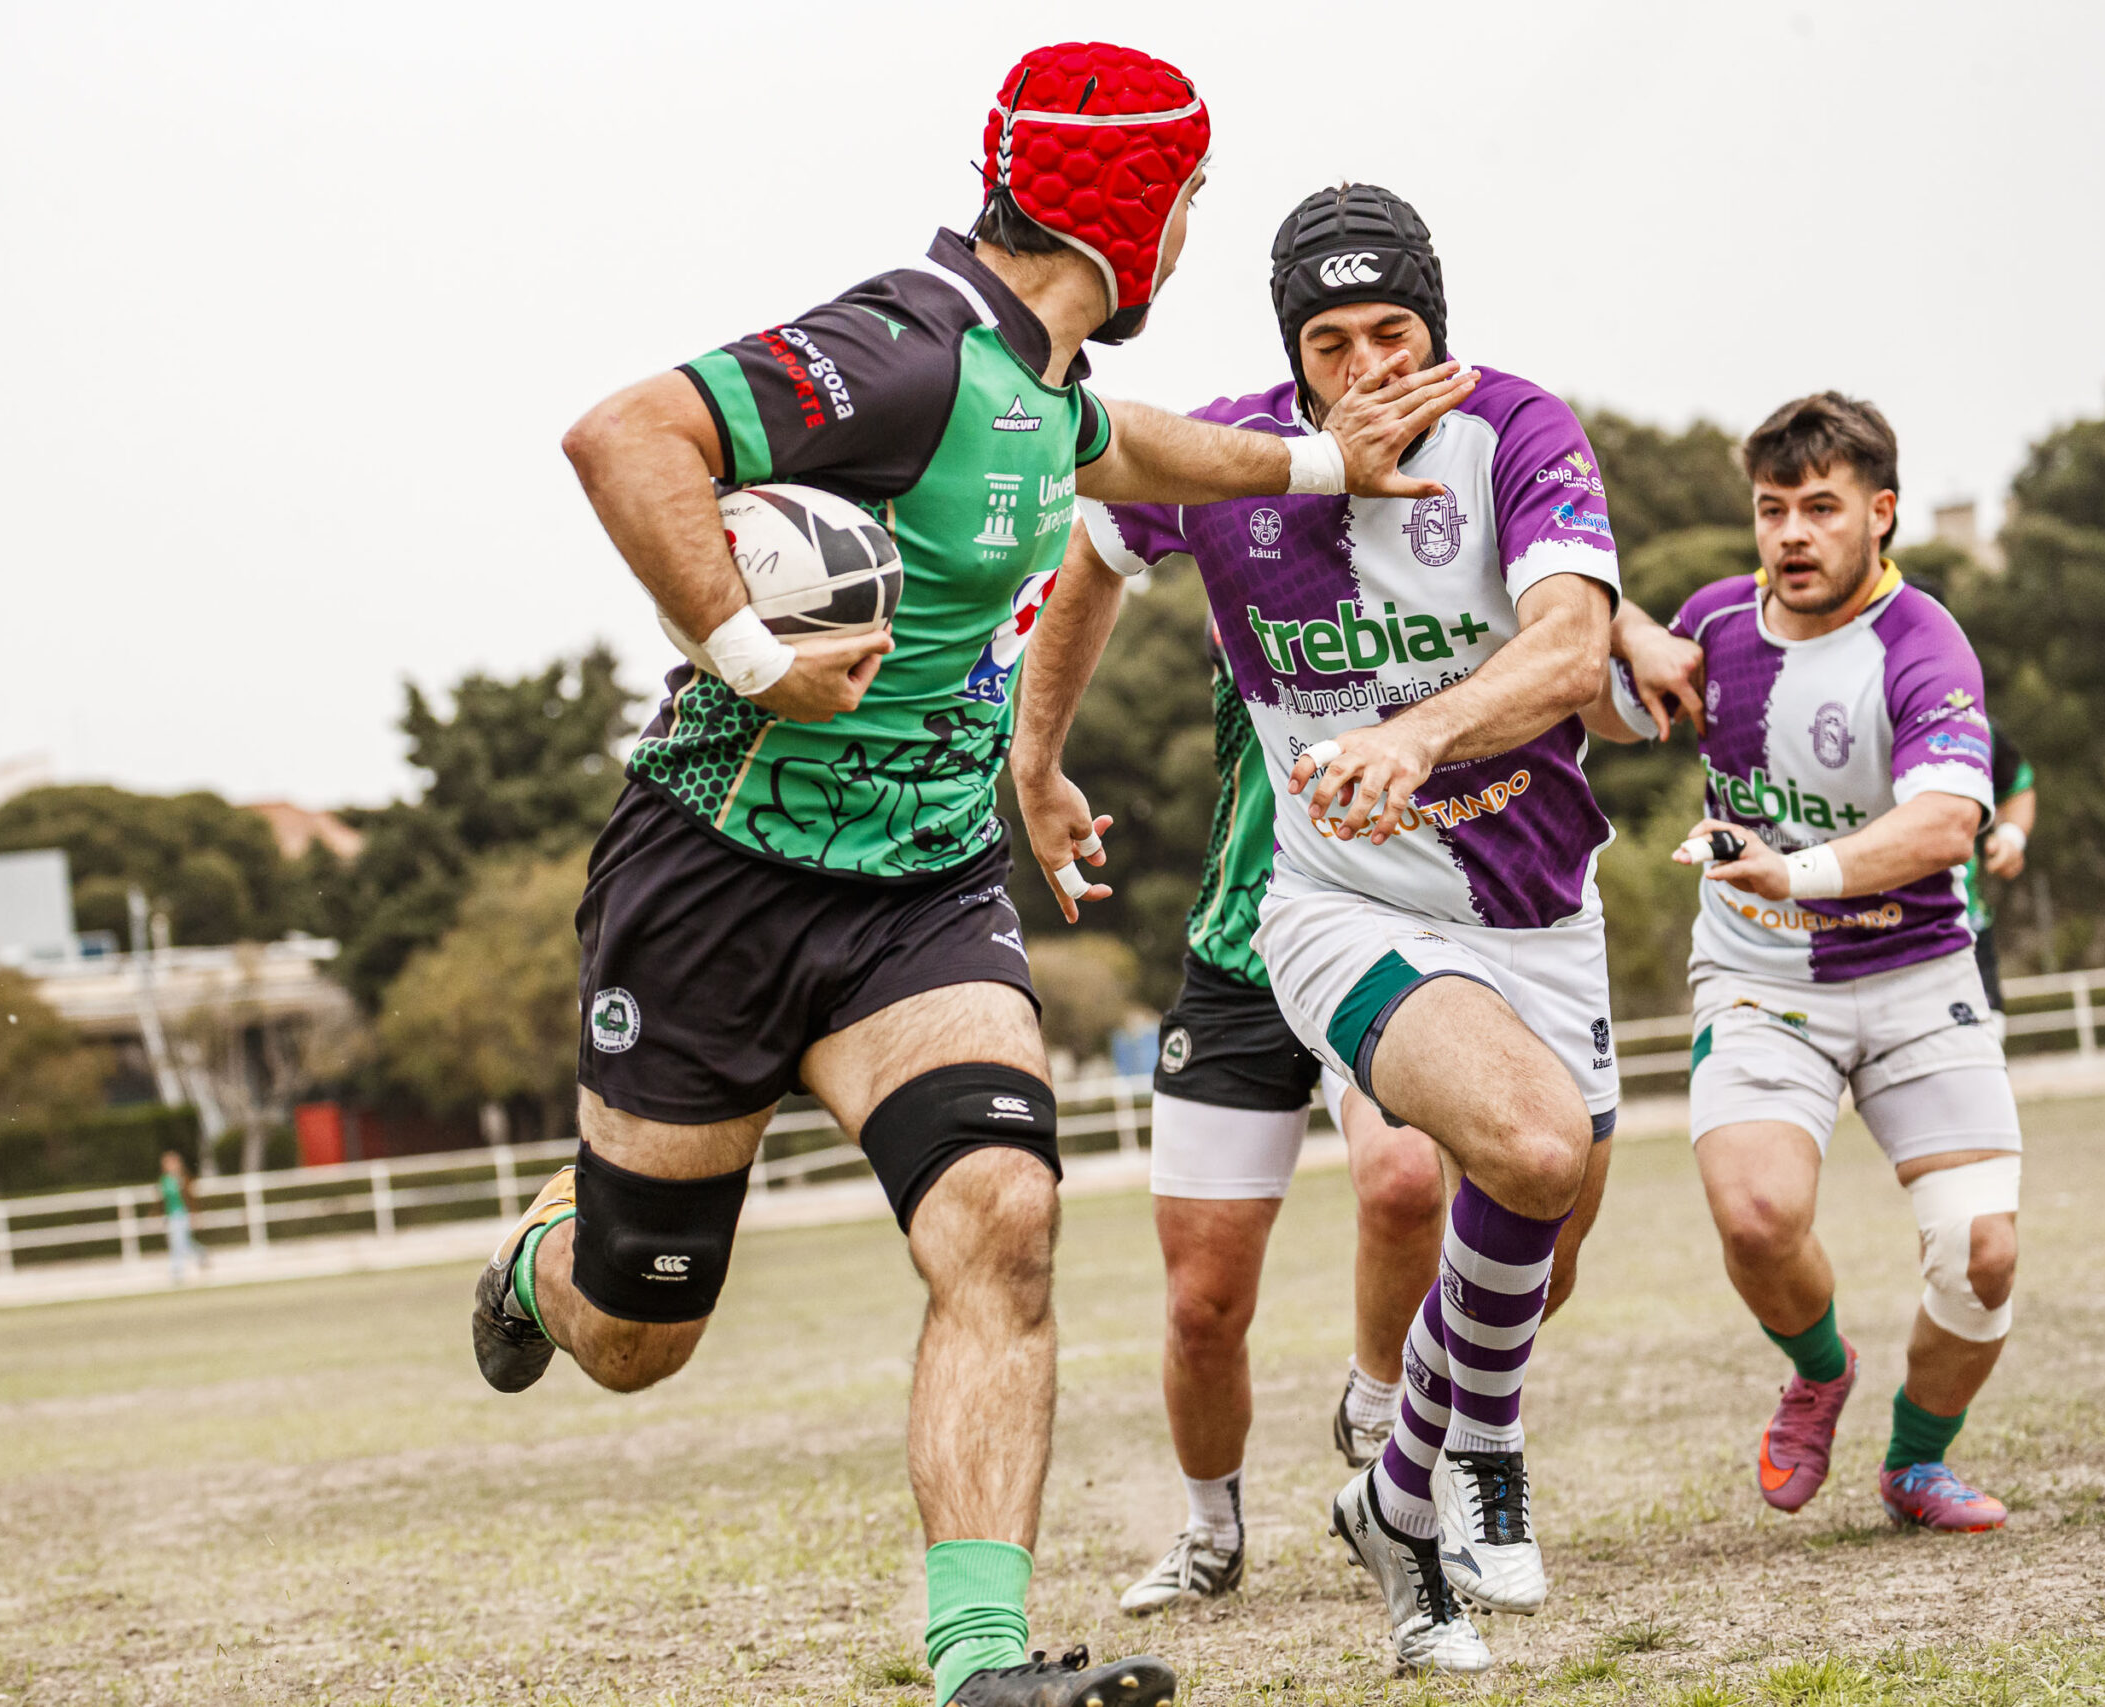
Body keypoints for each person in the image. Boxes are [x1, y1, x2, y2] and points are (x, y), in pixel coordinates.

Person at [471, 46, 1475, 1707]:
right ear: (1135, 208)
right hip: (715, 883)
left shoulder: (1032, 377)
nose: (1189, 233)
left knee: (1005, 1220)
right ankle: (539, 1260)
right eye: (1190, 202)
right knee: (640, 1328)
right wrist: (746, 646)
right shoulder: (903, 348)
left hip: (917, 902)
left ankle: (981, 1667)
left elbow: (1116, 446)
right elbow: (622, 434)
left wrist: (1318, 463)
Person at [1015, 182, 1626, 1673]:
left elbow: (1569, 641)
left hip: (1541, 905)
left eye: (1395, 332)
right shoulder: (1237, 454)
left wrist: (1424, 731)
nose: (1366, 372)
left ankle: (1399, 1484)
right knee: (1519, 1150)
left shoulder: (1520, 434)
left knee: (1537, 1253)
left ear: (1440, 327)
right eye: (1333, 342)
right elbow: (1093, 548)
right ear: (1295, 356)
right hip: (1335, 903)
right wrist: (1033, 762)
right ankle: (1420, 1469)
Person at [1107, 630, 1618, 1621]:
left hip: (1394, 933)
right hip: (1240, 954)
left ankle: (1392, 1417)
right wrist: (1037, 768)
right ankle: (1209, 1530)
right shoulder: (1236, 511)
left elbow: (1574, 630)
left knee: (1407, 1185)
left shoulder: (1440, 558)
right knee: (1200, 1307)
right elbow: (1102, 529)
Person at [1592, 392, 2020, 1533]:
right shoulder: (1716, 623)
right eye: (1772, 509)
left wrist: (1799, 871)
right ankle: (1820, 1372)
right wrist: (1620, 624)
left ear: (1879, 514)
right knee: (1755, 1220)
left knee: (1980, 1256)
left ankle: (1916, 1462)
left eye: (1820, 509)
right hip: (1758, 981)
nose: (1790, 534)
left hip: (1919, 975)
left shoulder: (1923, 643)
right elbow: (1600, 706)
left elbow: (1942, 826)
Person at [1960, 720, 2036, 1029]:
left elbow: (2017, 785)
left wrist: (2011, 837)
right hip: (1849, 932)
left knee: (1987, 1044)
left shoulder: (1968, 721)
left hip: (1965, 928)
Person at [159, 1150, 207, 1282]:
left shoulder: (183, 1179)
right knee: (181, 1242)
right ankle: (201, 1254)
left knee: (178, 1242)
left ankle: (177, 1271)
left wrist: (194, 1214)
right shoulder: (164, 1180)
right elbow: (162, 1201)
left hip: (182, 1213)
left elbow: (190, 1198)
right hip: (171, 1215)